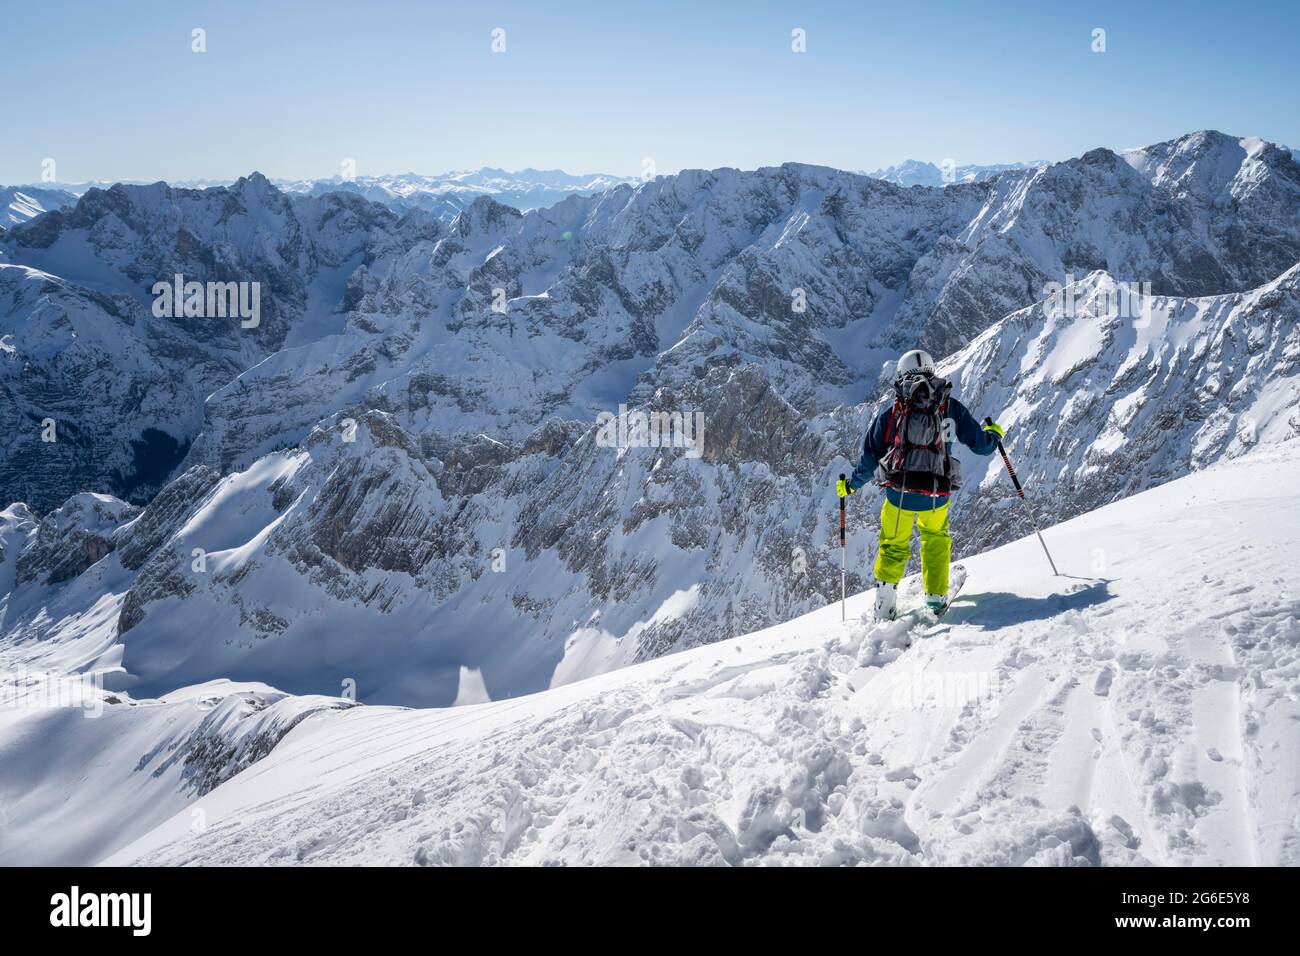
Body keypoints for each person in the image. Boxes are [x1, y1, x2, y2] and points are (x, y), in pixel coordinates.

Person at [836, 349, 1004, 619]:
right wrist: (993, 436)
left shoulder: (893, 413)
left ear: (901, 376)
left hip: (898, 496)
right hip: (937, 494)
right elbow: (981, 446)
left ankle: (884, 605)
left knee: (893, 545)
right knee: (935, 540)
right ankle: (936, 598)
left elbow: (869, 459)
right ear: (931, 371)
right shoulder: (950, 407)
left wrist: (850, 486)